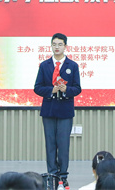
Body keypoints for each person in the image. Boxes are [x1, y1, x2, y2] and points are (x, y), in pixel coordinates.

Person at [33, 33, 82, 188]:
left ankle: (63, 176)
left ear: (65, 46)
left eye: (60, 44)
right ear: (51, 46)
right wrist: (51, 90)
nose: (57, 47)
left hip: (65, 110)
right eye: (54, 44)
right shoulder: (44, 65)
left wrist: (66, 89)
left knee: (63, 144)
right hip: (48, 110)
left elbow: (77, 88)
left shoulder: (72, 66)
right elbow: (37, 88)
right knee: (50, 144)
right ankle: (52, 175)